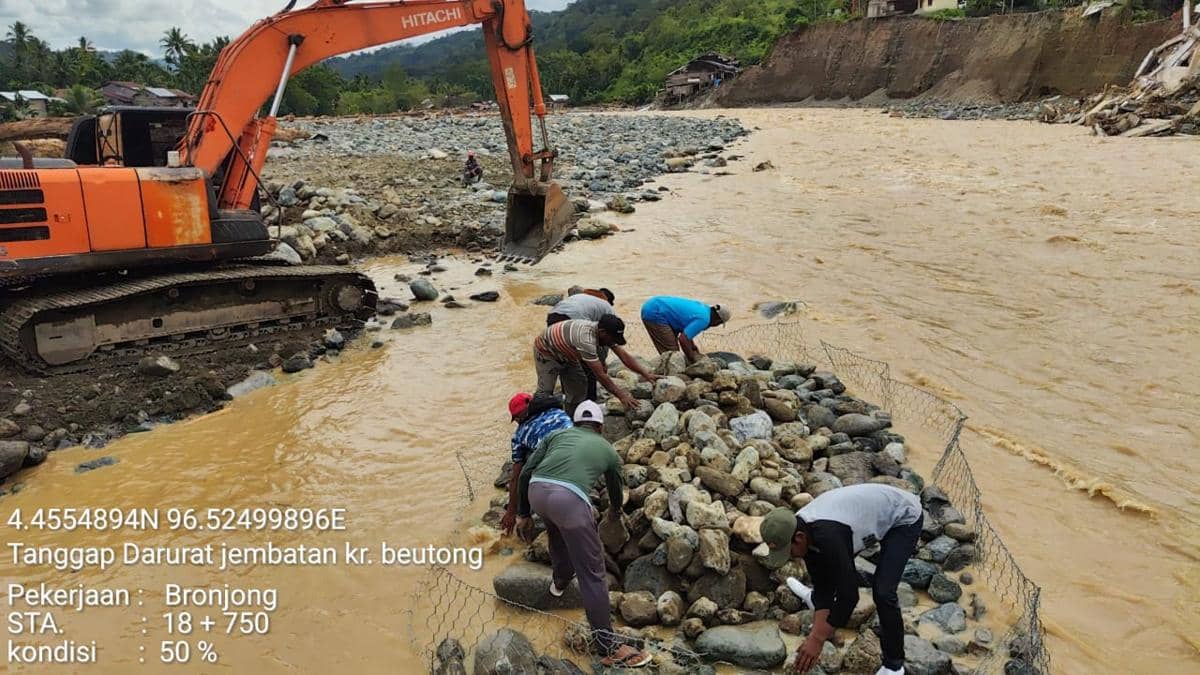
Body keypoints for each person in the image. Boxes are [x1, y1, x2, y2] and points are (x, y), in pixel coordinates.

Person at [515, 401, 652, 668]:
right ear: (600, 427)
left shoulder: (557, 434)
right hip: (568, 500)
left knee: (555, 532)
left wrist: (522, 513)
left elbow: (526, 472)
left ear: (576, 423)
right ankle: (608, 646)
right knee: (593, 574)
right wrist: (615, 511)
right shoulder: (607, 449)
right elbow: (615, 488)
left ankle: (560, 581)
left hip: (537, 492)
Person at [759, 484, 924, 675]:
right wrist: (820, 623)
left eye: (788, 551)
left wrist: (817, 638)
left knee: (883, 591)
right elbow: (822, 582)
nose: (789, 557)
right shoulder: (799, 528)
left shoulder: (828, 536)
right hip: (860, 518)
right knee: (830, 571)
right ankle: (813, 600)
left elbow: (849, 597)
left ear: (800, 537)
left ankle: (894, 666)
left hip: (903, 517)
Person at [546, 290, 659, 400]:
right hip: (573, 317)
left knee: (566, 359)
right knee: (590, 366)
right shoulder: (609, 315)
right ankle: (589, 401)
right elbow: (617, 352)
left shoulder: (595, 306)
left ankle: (567, 397)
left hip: (554, 316)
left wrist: (645, 374)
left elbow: (615, 349)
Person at [533, 315, 643, 415]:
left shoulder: (603, 332)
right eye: (612, 339)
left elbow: (623, 355)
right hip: (546, 351)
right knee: (545, 393)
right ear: (602, 332)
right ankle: (534, 420)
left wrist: (646, 374)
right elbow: (600, 375)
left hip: (567, 351)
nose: (612, 342)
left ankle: (572, 418)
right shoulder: (586, 340)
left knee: (579, 386)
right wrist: (622, 396)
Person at [500, 392, 572, 535]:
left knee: (526, 459)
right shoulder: (558, 411)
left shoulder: (520, 434)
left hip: (556, 466)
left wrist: (511, 512)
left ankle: (526, 515)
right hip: (577, 450)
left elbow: (517, 476)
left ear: (518, 417)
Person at [640, 295, 732, 365]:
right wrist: (692, 359)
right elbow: (683, 339)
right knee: (673, 355)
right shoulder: (704, 319)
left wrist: (693, 347)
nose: (716, 326)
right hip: (655, 312)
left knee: (675, 355)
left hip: (656, 305)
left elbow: (686, 330)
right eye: (719, 324)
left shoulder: (704, 309)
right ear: (718, 320)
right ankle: (670, 379)